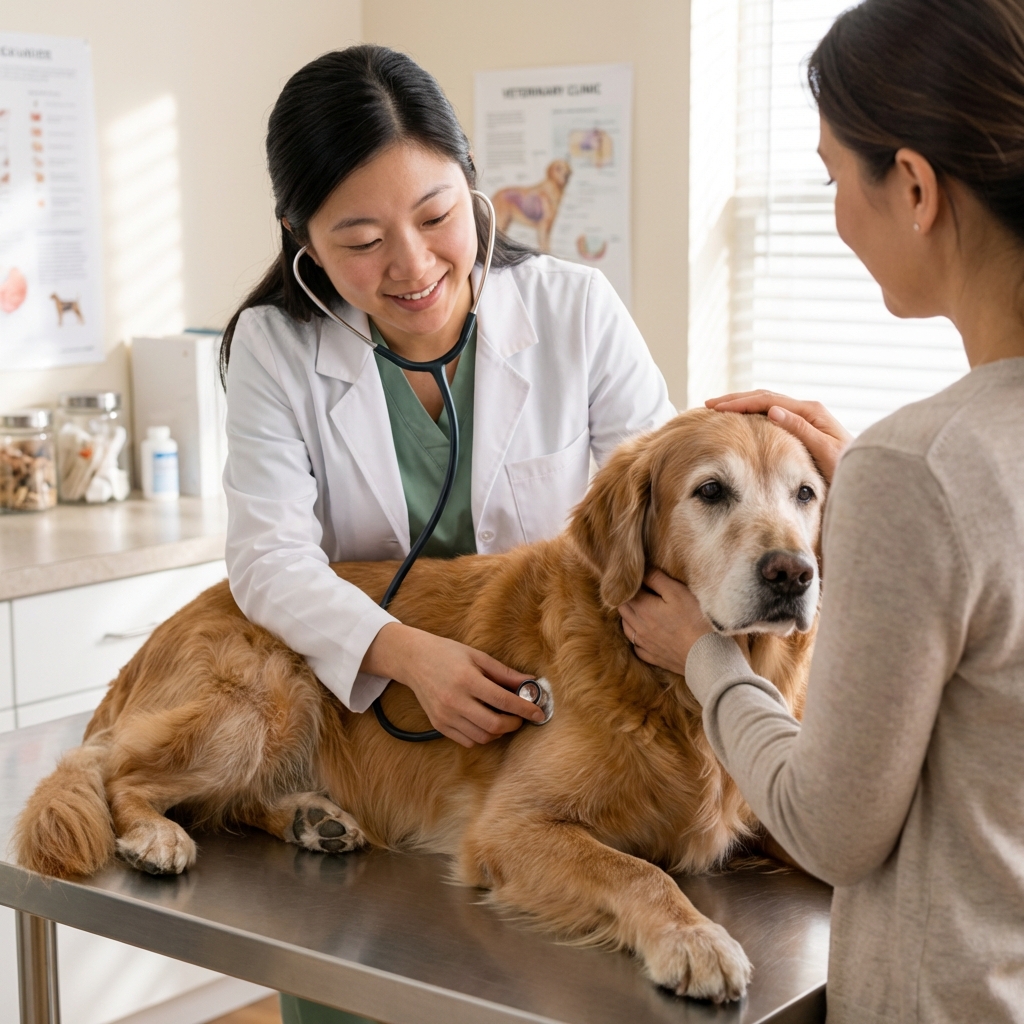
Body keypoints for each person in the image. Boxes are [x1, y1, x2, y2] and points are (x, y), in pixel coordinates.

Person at [220, 45, 675, 1024]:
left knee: (546, 984)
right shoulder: (275, 348)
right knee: (360, 990)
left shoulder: (574, 311)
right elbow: (266, 557)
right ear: (300, 237)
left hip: (557, 749)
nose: (414, 264)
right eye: (359, 239)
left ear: (474, 188)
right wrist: (405, 652)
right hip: (380, 760)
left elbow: (653, 523)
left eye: (435, 217)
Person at [619, 1, 1024, 1021]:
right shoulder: (925, 469)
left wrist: (699, 656)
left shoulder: (918, 468)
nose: (837, 211)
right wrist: (873, 497)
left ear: (917, 187)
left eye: (836, 175)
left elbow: (828, 827)